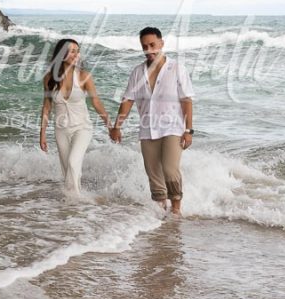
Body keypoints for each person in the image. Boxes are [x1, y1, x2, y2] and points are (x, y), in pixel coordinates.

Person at [109, 27, 194, 215]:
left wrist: (189, 130)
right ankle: (161, 213)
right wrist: (117, 127)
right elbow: (127, 100)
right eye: (145, 46)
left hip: (173, 128)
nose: (149, 50)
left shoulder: (177, 68)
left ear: (161, 43)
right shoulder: (137, 72)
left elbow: (186, 100)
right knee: (153, 174)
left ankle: (176, 210)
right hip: (148, 129)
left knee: (170, 169)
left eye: (152, 45)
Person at [40, 38, 111, 195]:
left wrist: (110, 125)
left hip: (82, 127)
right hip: (61, 130)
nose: (76, 55)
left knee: (73, 162)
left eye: (78, 51)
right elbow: (46, 107)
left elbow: (96, 102)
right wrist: (42, 134)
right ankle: (75, 204)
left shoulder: (84, 76)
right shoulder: (49, 78)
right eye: (72, 51)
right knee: (68, 170)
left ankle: (76, 199)